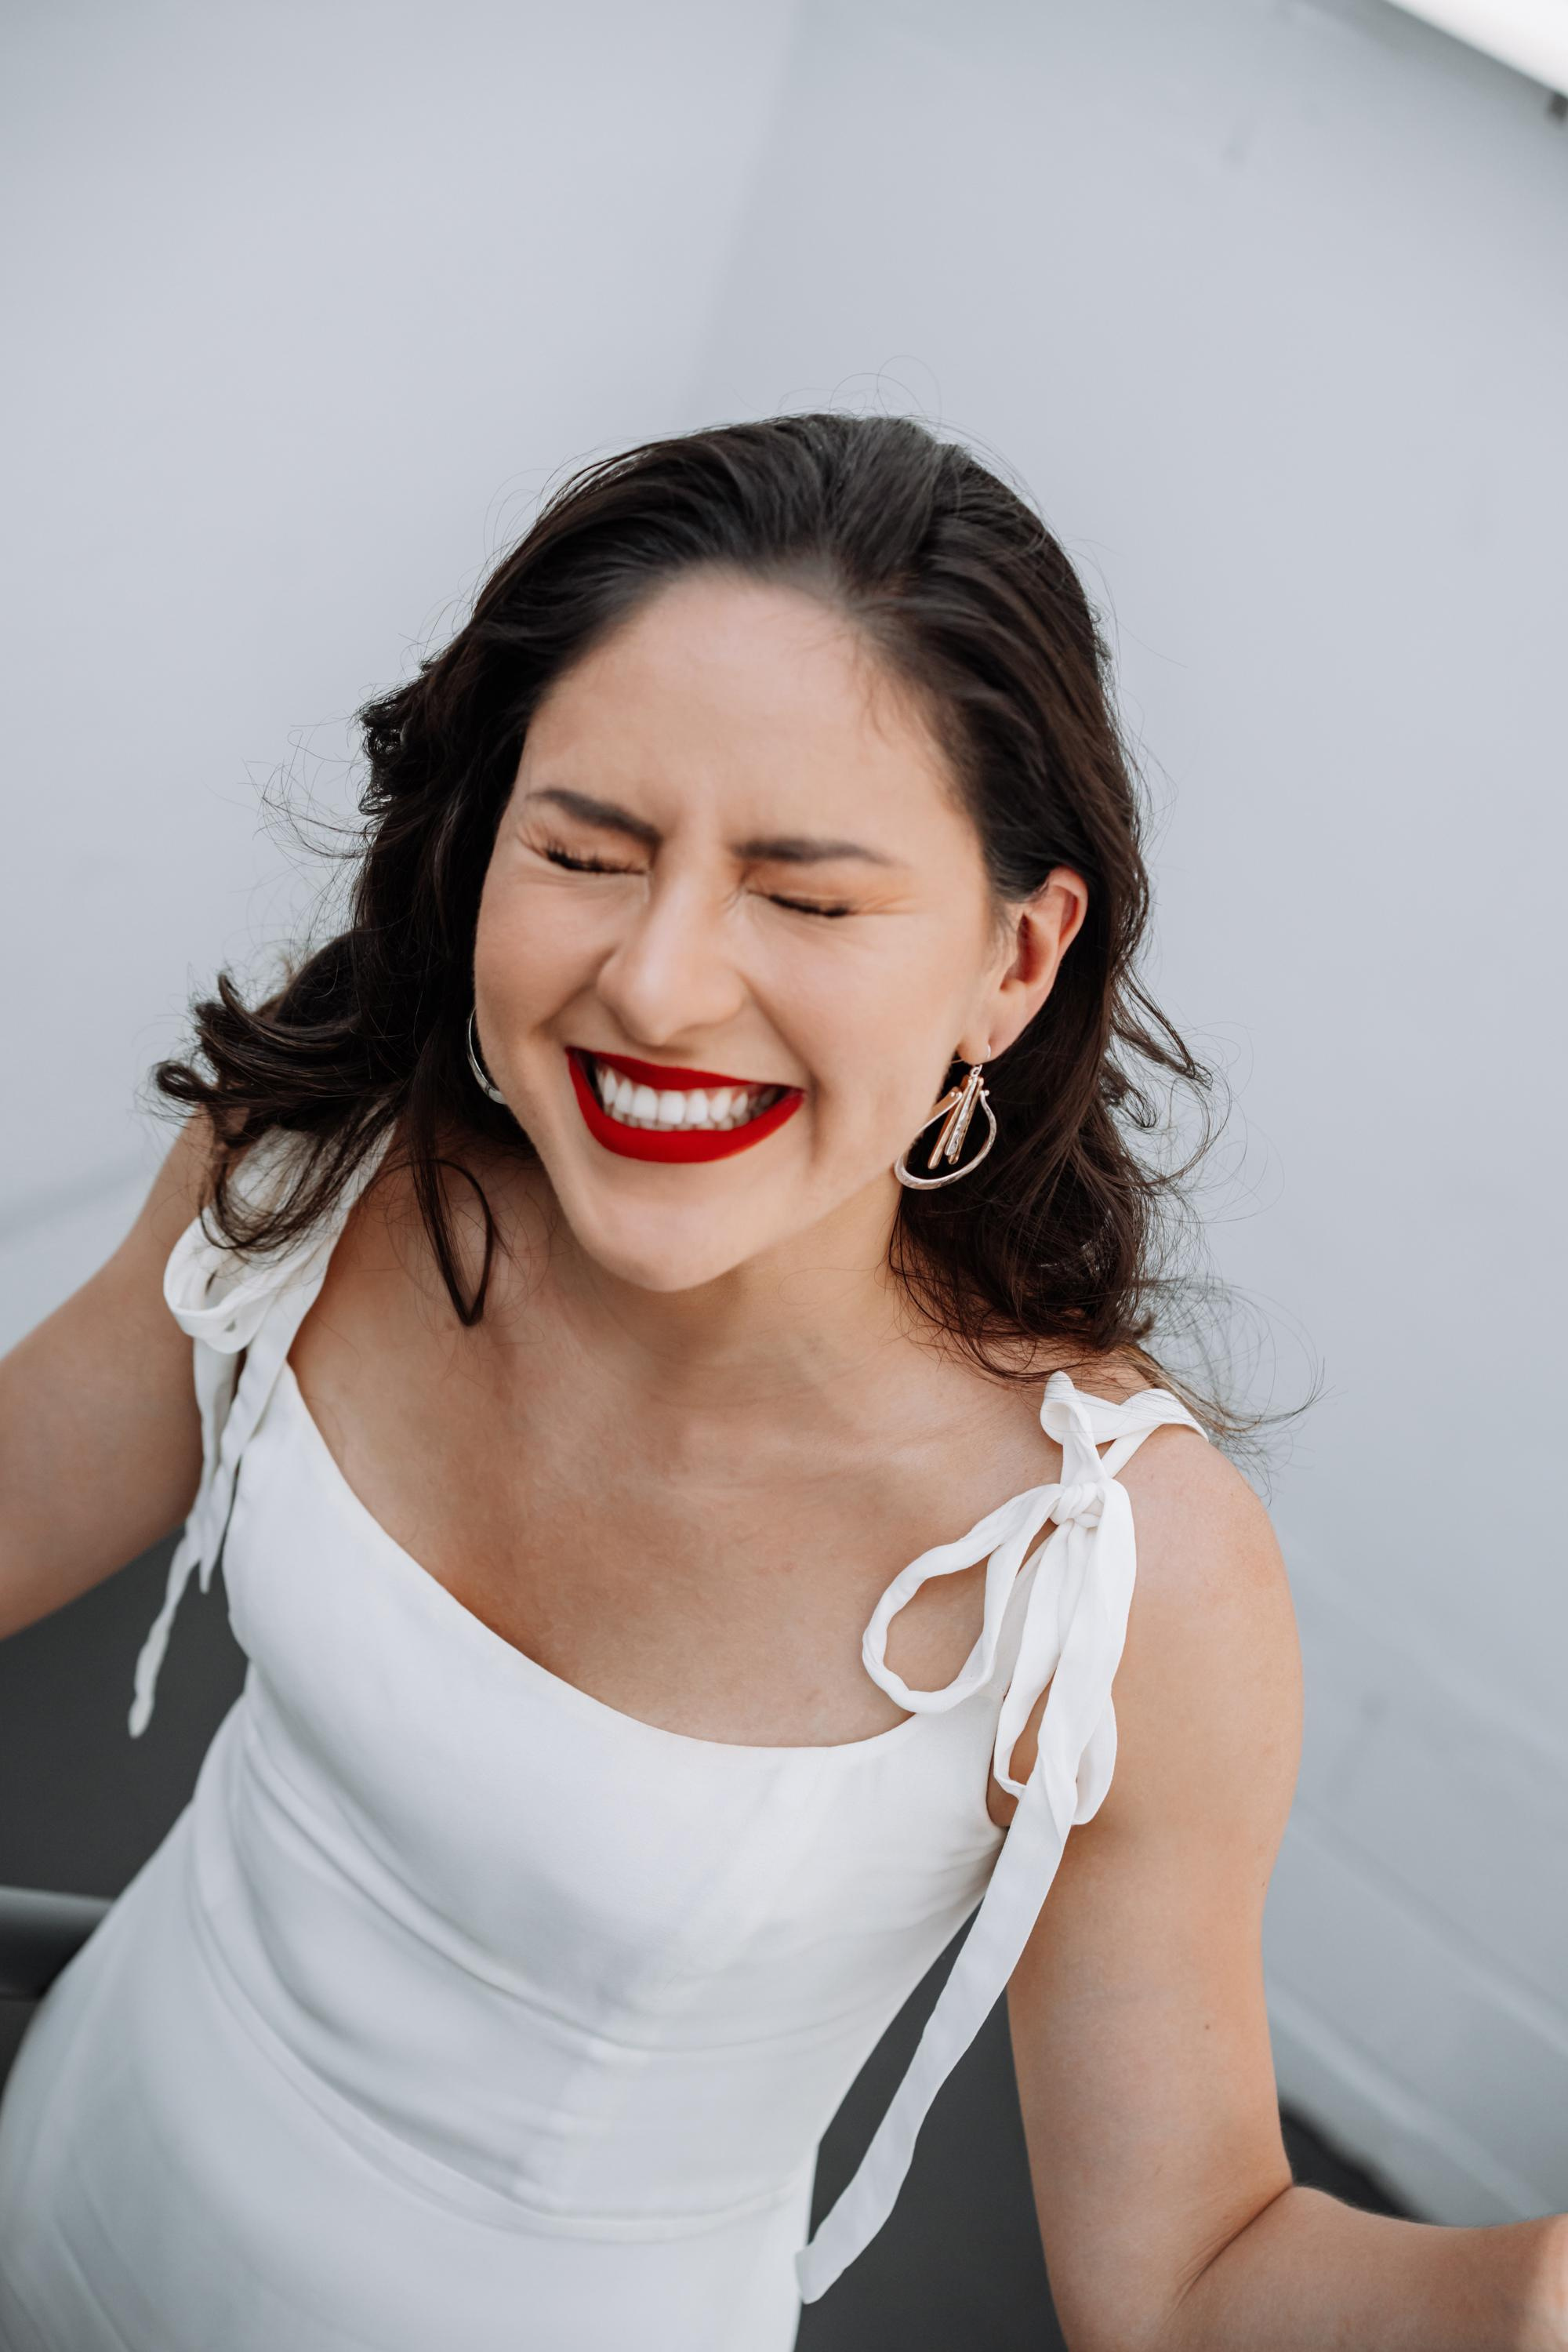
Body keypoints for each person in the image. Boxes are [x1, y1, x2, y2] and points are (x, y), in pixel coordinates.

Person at [0, 412, 1561, 2352]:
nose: (658, 985)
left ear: (1013, 961)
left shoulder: (1108, 1571)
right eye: (585, 849)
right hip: (67, 2176)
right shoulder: (322, 1168)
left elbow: (1190, 2283)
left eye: (805, 901)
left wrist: (1528, 2300)